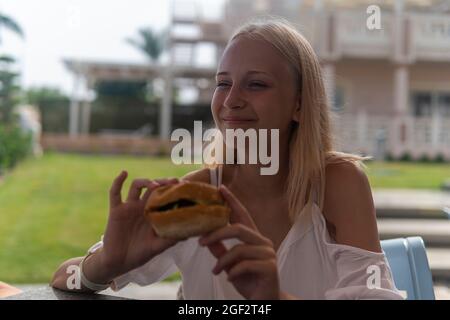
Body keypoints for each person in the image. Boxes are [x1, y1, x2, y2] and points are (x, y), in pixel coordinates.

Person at [51, 18, 403, 300]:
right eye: (223, 83)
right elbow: (63, 276)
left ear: (299, 104)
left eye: (256, 84)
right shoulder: (193, 196)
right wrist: (104, 264)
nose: (231, 100)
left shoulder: (339, 183)